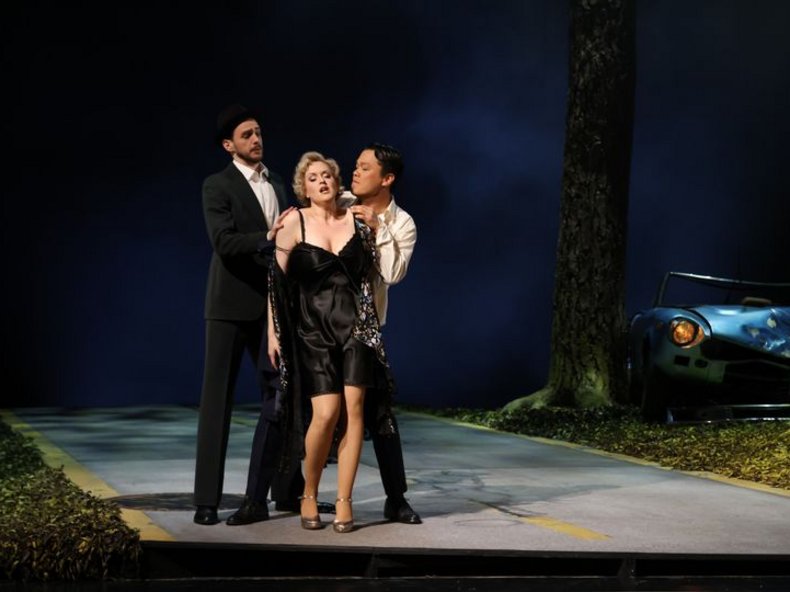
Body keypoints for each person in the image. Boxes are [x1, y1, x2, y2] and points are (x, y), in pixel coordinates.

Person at [268, 151, 397, 533]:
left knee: (354, 411)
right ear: (303, 188)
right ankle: (309, 491)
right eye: (313, 178)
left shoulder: (356, 219)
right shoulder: (293, 223)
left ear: (336, 182)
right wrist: (273, 333)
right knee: (325, 414)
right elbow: (275, 284)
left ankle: (344, 500)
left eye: (327, 175)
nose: (322, 181)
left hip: (357, 327)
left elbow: (380, 273)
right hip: (313, 330)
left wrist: (378, 228)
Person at [193, 104, 298, 526]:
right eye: (246, 135)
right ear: (228, 145)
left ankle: (287, 492)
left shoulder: (277, 182)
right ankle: (207, 499)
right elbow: (223, 242)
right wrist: (268, 238)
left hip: (272, 306)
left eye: (258, 132)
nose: (256, 139)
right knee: (217, 401)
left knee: (283, 395)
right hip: (229, 306)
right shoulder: (217, 185)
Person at [346, 143, 422, 525]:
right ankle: (288, 492)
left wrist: (377, 229)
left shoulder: (402, 223)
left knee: (380, 414)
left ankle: (396, 498)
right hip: (320, 326)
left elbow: (392, 274)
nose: (355, 172)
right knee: (316, 411)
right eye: (356, 165)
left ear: (387, 178)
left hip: (365, 331)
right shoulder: (338, 205)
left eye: (364, 167)